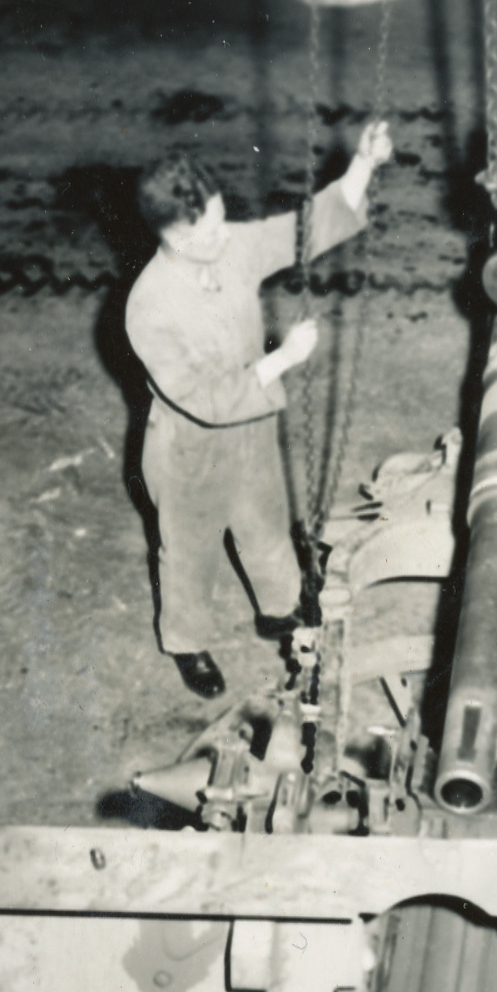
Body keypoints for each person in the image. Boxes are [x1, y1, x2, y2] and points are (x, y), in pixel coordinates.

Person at [125, 122, 392, 698]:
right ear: (171, 234)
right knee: (189, 555)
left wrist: (363, 165)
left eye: (223, 221)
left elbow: (299, 231)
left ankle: (278, 609)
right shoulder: (148, 306)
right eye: (206, 233)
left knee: (266, 525)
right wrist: (283, 359)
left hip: (251, 429)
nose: (223, 238)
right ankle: (187, 643)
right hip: (190, 450)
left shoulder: (227, 245)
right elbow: (205, 399)